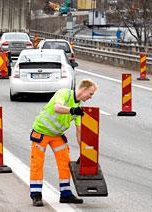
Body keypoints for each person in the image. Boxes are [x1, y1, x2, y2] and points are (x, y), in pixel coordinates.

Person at [29, 79, 98, 207]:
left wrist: (84, 151)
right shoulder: (64, 93)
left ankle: (66, 194)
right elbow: (57, 107)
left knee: (65, 163)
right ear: (84, 89)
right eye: (90, 93)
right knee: (37, 164)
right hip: (41, 133)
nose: (90, 97)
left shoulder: (78, 109)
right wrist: (72, 110)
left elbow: (79, 132)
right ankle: (36, 195)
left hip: (57, 135)